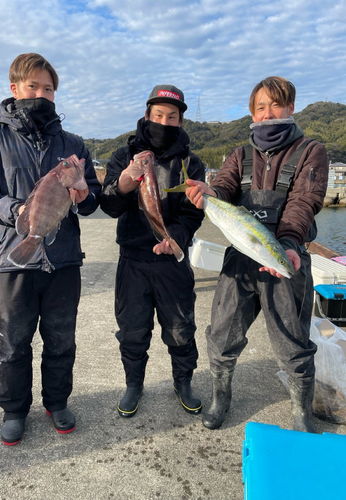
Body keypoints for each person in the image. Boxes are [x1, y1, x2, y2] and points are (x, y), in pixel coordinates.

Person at [185, 76, 329, 433]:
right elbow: (224, 188)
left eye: (276, 105)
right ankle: (221, 397)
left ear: (291, 107)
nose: (268, 114)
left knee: (292, 340)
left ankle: (301, 411)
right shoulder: (240, 154)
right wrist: (209, 192)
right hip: (240, 258)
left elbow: (304, 202)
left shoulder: (311, 150)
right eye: (261, 107)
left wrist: (291, 245)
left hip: (286, 256)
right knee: (221, 332)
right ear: (252, 111)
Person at [0, 53, 101, 445]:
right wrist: (17, 211)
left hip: (63, 261)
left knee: (62, 338)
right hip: (12, 261)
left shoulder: (73, 144)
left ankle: (57, 401)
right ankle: (13, 409)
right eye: (33, 87)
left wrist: (82, 194)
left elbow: (93, 199)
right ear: (14, 89)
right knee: (13, 341)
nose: (41, 94)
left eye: (48, 89)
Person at [100, 85, 205, 417]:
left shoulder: (191, 162)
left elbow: (194, 212)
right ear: (147, 116)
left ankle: (183, 380)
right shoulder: (123, 156)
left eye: (171, 116)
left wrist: (176, 237)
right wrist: (125, 183)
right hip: (132, 259)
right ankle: (134, 384)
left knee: (180, 326)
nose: (164, 121)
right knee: (132, 328)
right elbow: (109, 204)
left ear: (180, 120)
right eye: (158, 115)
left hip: (171, 259)